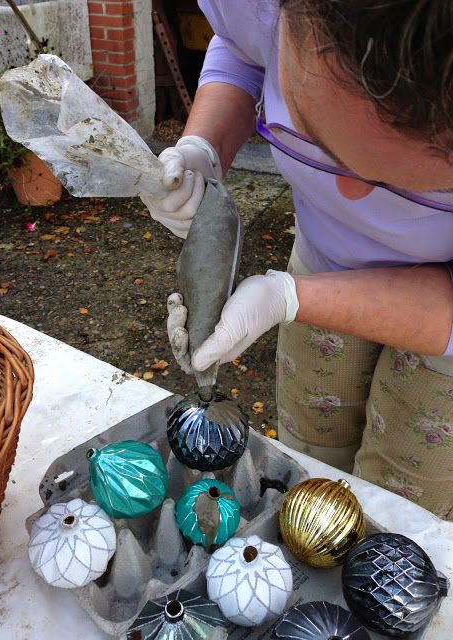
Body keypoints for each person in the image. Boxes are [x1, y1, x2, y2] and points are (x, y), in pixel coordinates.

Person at [141, 0, 453, 520]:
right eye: (321, 140)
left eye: (403, 184)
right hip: (322, 258)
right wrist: (204, 146)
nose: (347, 195)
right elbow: (243, 47)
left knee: (398, 510)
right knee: (307, 462)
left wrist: (287, 296)